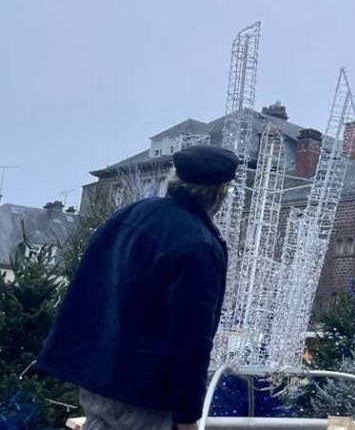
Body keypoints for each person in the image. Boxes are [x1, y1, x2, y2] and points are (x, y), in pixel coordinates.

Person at [38, 145, 237, 430]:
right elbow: (191, 338)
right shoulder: (197, 244)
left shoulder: (132, 214)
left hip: (98, 377)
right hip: (144, 393)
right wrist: (188, 416)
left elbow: (86, 289)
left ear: (174, 180)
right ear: (219, 193)